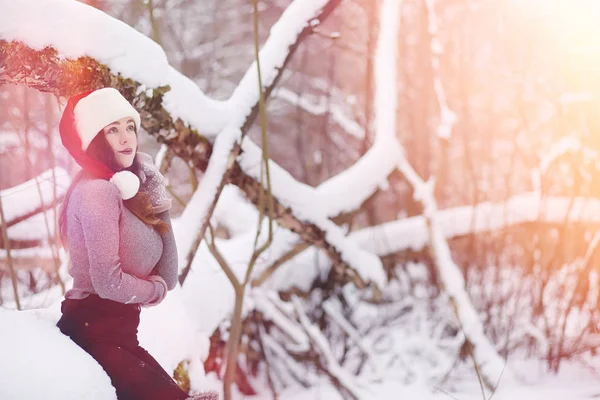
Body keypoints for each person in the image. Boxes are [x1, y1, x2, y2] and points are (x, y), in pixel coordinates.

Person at [55, 87, 217, 400]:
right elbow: (107, 283)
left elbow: (168, 275)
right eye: (112, 130)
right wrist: (152, 292)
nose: (127, 138)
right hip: (91, 329)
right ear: (94, 141)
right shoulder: (97, 192)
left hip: (122, 334)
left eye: (130, 127)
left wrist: (155, 190)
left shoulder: (128, 192)